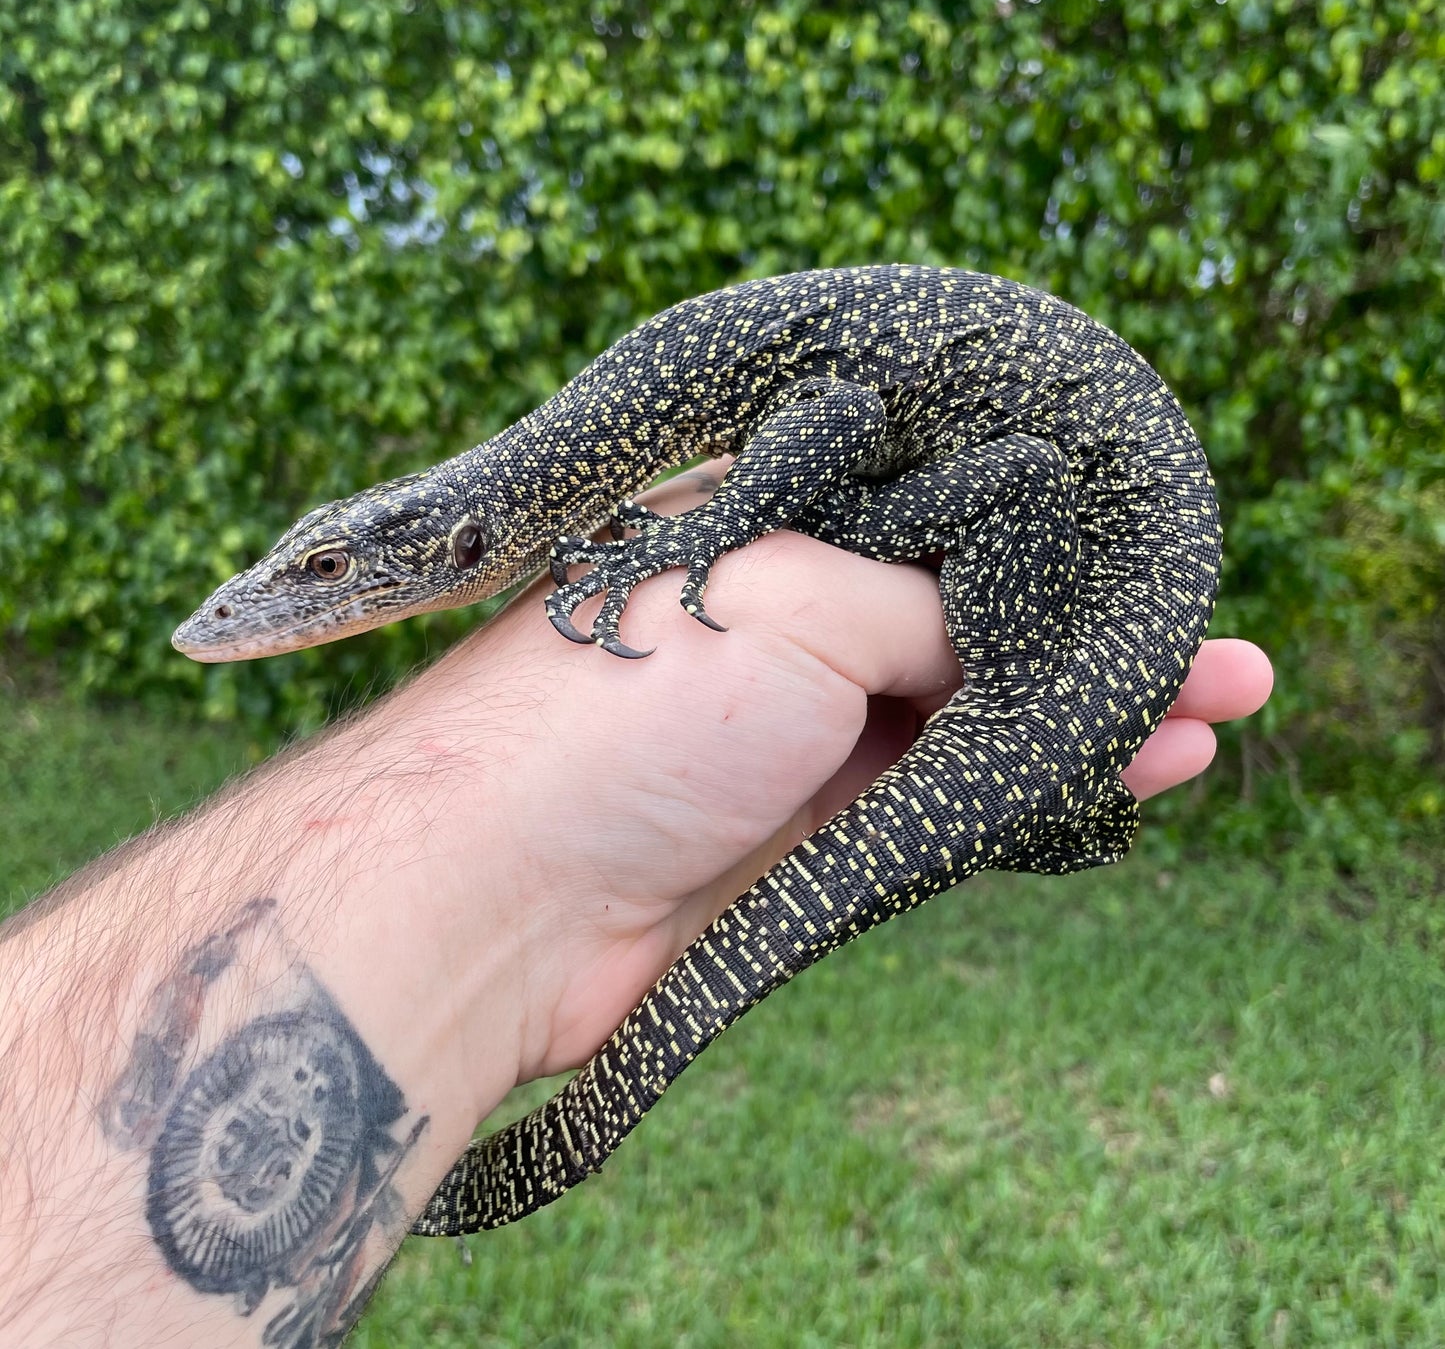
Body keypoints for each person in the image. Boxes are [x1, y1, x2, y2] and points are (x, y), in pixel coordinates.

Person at [0, 465, 1272, 1347]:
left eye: (327, 569)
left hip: (1087, 521)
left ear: (455, 549)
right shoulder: (627, 469)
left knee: (1041, 744)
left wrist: (706, 540)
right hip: (1053, 545)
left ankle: (1059, 791)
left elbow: (880, 442)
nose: (263, 601)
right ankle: (1061, 794)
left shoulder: (682, 463)